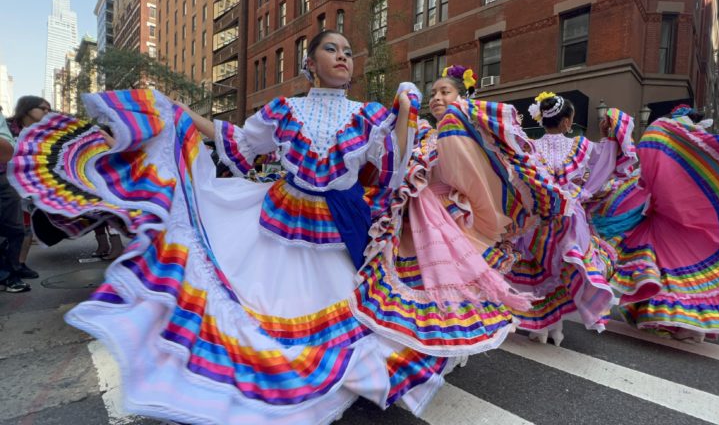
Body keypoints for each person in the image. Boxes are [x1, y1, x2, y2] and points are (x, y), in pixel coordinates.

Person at [10, 30, 456, 423]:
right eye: (332, 50)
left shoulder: (369, 115)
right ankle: (284, 372)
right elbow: (239, 141)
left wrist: (405, 110)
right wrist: (182, 113)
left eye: (348, 52)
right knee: (269, 301)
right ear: (310, 64)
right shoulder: (283, 109)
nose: (344, 57)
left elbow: (392, 168)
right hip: (283, 216)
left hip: (341, 223)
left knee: (351, 308)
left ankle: (349, 372)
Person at [350, 67, 569, 355]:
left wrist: (460, 112)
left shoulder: (464, 129)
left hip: (450, 217)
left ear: (461, 97)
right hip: (417, 217)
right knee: (423, 286)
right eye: (433, 93)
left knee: (450, 286)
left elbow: (472, 172)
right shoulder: (427, 133)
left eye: (445, 92)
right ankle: (422, 349)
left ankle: (446, 349)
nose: (437, 98)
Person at [593, 104, 719, 341]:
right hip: (673, 220)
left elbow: (651, 168)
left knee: (668, 271)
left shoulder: (673, 138)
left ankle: (682, 323)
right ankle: (683, 324)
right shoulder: (696, 145)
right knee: (682, 273)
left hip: (671, 221)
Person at [502, 91, 638, 346]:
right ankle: (556, 326)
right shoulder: (583, 146)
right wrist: (609, 134)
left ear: (542, 120)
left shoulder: (529, 147)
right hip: (570, 218)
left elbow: (514, 179)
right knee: (565, 268)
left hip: (538, 217)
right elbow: (608, 161)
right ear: (567, 122)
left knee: (538, 271)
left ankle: (541, 326)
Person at [0, 96, 48, 293]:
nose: (47, 113)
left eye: (49, 110)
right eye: (43, 109)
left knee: (20, 229)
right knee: (13, 229)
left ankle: (17, 267)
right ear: (27, 109)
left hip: (20, 184)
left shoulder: (41, 133)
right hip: (8, 180)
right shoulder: (11, 126)